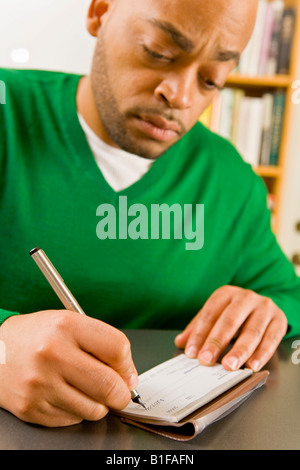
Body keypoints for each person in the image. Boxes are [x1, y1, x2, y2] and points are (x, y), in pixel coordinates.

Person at [0, 0, 299, 427]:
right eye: (158, 52)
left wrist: (268, 310)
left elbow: (289, 295)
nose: (180, 96)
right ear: (100, 12)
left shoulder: (230, 180)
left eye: (212, 79)